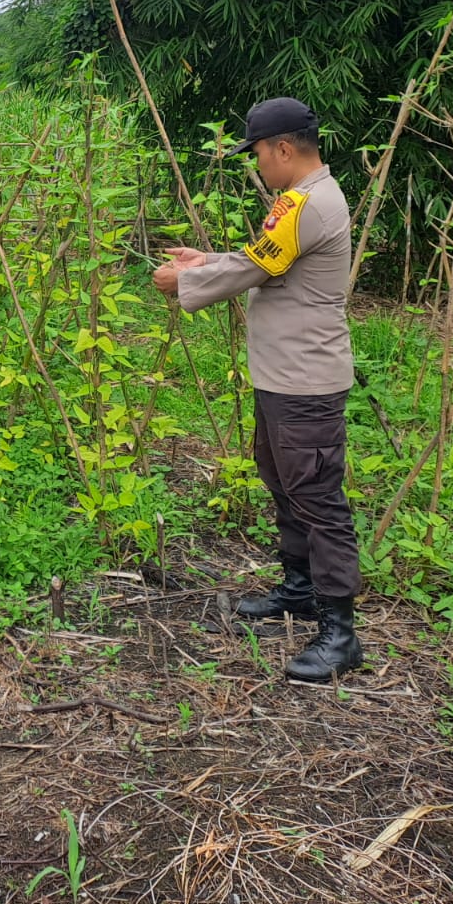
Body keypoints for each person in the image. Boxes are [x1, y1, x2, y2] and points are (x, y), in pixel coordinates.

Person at [152, 97, 363, 682]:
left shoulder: (306, 202)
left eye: (260, 155)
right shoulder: (307, 201)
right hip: (283, 377)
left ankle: (340, 633)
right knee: (285, 484)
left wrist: (186, 280)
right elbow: (265, 260)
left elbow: (255, 269)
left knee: (318, 498)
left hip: (305, 382)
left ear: (283, 149)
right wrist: (205, 259)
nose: (259, 167)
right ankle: (299, 589)